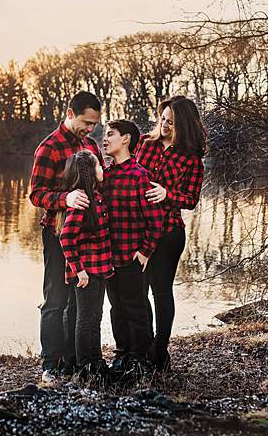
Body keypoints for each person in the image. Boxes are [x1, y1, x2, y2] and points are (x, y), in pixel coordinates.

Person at [29, 91, 102, 385]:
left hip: (88, 236)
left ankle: (71, 361)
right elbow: (36, 194)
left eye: (95, 124)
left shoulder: (91, 146)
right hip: (58, 232)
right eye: (86, 122)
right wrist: (66, 198)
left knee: (77, 300)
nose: (90, 129)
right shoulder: (49, 148)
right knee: (55, 298)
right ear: (70, 114)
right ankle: (50, 363)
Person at [136, 96, 206, 371]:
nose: (164, 125)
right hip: (139, 232)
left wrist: (167, 194)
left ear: (184, 126)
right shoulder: (144, 143)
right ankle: (141, 346)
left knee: (161, 291)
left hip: (168, 233)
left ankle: (159, 351)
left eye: (171, 123)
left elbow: (190, 199)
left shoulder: (192, 159)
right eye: (163, 119)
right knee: (137, 292)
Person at [101, 119, 164, 375]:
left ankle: (141, 356)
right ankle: (122, 353)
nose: (105, 139)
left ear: (126, 139)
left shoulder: (140, 177)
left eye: (110, 134)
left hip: (132, 256)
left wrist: (145, 251)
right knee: (116, 308)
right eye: (105, 134)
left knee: (136, 307)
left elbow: (156, 221)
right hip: (108, 257)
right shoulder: (105, 175)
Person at [57, 150, 113, 380]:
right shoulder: (82, 200)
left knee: (94, 318)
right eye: (99, 166)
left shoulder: (95, 196)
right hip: (87, 272)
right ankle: (86, 369)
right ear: (91, 173)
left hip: (98, 268)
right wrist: (79, 269)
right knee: (87, 320)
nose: (103, 169)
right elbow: (66, 238)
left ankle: (95, 362)